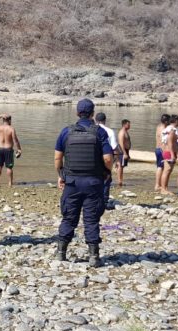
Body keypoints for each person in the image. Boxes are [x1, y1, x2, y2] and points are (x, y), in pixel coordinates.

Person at [54, 99, 113, 267]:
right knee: (91, 219)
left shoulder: (66, 132)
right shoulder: (100, 133)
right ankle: (94, 256)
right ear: (93, 113)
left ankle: (61, 253)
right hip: (93, 183)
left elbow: (58, 158)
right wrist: (107, 172)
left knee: (69, 217)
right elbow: (108, 158)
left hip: (71, 182)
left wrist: (61, 175)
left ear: (77, 113)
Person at [95, 112, 118, 210]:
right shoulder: (110, 131)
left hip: (94, 157)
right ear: (105, 120)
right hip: (106, 156)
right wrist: (116, 160)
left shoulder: (91, 129)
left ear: (95, 120)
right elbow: (114, 148)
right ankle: (104, 201)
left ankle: (93, 199)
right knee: (107, 178)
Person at [0, 114, 22, 187]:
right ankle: (10, 183)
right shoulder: (11, 129)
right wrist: (19, 149)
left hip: (0, 149)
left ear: (3, 120)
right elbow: (15, 140)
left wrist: (1, 115)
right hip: (8, 149)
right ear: (9, 120)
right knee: (9, 167)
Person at [159, 115, 178, 194]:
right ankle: (163, 189)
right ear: (176, 121)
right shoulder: (172, 130)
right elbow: (170, 142)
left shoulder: (168, 129)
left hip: (170, 152)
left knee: (168, 171)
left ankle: (165, 188)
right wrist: (172, 154)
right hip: (169, 152)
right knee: (167, 170)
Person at [154, 114, 170, 191]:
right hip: (161, 149)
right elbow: (163, 141)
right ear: (166, 121)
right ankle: (157, 185)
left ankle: (158, 184)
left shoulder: (158, 126)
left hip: (157, 149)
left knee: (160, 167)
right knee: (161, 167)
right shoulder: (164, 129)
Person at [116, 119, 131, 187]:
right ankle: (119, 181)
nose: (129, 125)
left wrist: (128, 153)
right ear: (124, 124)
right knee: (120, 166)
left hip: (125, 150)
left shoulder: (125, 131)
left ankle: (121, 180)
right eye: (128, 124)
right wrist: (124, 153)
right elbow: (121, 143)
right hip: (122, 151)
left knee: (122, 166)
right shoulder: (122, 132)